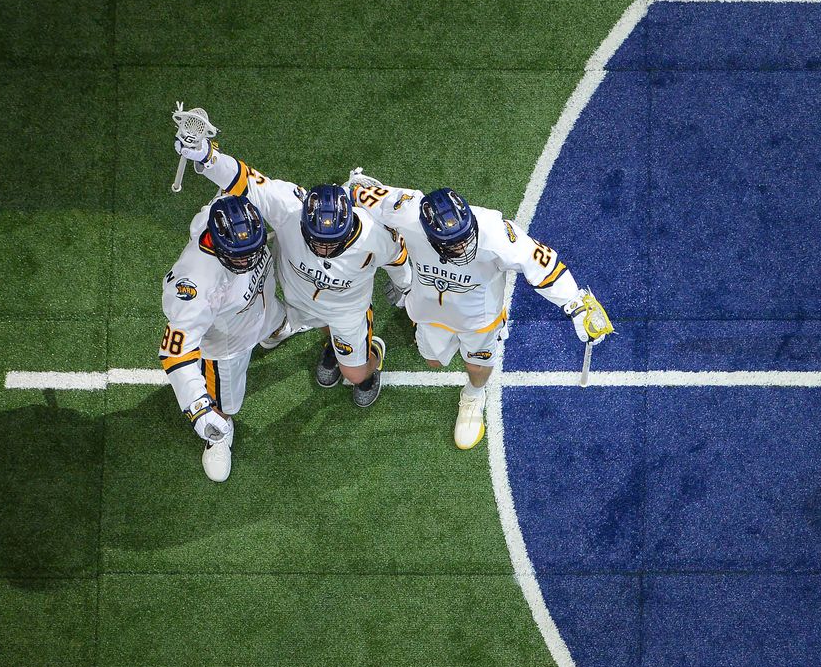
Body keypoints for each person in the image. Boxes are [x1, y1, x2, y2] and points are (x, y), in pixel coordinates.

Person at [346, 171, 612, 450]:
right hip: (428, 312)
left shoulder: (495, 233)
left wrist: (577, 304)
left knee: (476, 365)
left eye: (465, 237)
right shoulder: (408, 212)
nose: (464, 247)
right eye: (454, 244)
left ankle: (474, 395)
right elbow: (364, 193)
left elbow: (541, 263)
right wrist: (349, 195)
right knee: (433, 362)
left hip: (479, 320)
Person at [174, 128, 408, 407]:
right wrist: (208, 157)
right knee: (322, 326)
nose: (323, 250)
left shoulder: (374, 234)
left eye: (332, 242)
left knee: (354, 374)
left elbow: (397, 255)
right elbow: (246, 180)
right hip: (298, 302)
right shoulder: (289, 208)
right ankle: (332, 346)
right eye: (317, 240)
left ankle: (372, 358)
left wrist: (404, 285)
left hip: (346, 312)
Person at [158, 195, 294, 482]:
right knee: (225, 404)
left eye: (252, 250)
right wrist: (199, 410)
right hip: (228, 345)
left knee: (276, 319)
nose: (248, 260)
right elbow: (175, 353)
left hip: (261, 306)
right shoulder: (196, 286)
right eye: (238, 255)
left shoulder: (238, 217)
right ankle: (219, 435)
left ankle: (275, 328)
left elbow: (256, 187)